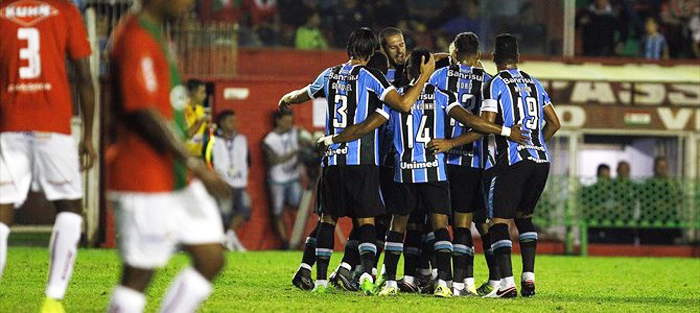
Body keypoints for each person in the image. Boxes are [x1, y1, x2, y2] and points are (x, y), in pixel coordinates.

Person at [319, 48, 529, 298]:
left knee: (398, 226)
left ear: (407, 71)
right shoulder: (442, 96)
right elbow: (472, 121)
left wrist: (336, 138)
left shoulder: (397, 99)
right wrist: (506, 131)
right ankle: (444, 282)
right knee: (440, 226)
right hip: (433, 170)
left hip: (403, 172)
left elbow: (368, 126)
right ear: (427, 72)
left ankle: (390, 283)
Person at [279, 27, 440, 295]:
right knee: (369, 221)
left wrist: (286, 98)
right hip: (367, 159)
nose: (399, 50)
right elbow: (401, 105)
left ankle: (317, 276)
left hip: (333, 160)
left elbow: (303, 93)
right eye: (393, 46)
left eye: (402, 45)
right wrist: (425, 76)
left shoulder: (329, 74)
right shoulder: (375, 76)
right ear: (377, 51)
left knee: (327, 219)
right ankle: (365, 275)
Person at [106, 0, 232, 312]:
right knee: (139, 275)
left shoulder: (158, 35)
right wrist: (193, 163)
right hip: (143, 174)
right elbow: (143, 112)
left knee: (211, 256)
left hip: (175, 175)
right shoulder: (135, 37)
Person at [0, 0, 96, 311]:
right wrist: (89, 137)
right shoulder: (65, 10)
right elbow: (84, 76)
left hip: (9, 124)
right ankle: (53, 300)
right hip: (52, 126)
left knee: (0, 217)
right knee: (69, 208)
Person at [479, 33, 561, 298]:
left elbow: (489, 120)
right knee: (524, 217)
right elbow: (555, 123)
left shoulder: (495, 82)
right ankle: (528, 279)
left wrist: (506, 133)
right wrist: (536, 142)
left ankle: (506, 284)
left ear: (493, 58)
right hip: (540, 160)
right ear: (518, 57)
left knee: (497, 220)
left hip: (514, 160)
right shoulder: (534, 82)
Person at [424, 32, 491, 297]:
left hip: (440, 159)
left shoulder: (439, 77)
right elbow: (485, 125)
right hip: (472, 160)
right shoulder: (487, 81)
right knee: (464, 224)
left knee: (437, 222)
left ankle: (438, 277)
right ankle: (465, 283)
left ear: (453, 53)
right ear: (477, 55)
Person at [209, 110, 251, 252]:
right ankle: (223, 239)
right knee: (223, 213)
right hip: (221, 182)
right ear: (221, 122)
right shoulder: (212, 140)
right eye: (230, 121)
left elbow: (248, 160)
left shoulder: (241, 140)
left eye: (235, 121)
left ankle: (229, 236)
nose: (234, 124)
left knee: (244, 208)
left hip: (239, 181)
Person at [263, 110, 304, 250]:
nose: (290, 124)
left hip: (293, 177)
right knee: (277, 211)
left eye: (291, 120)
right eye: (286, 121)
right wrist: (292, 153)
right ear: (278, 121)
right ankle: (285, 241)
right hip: (277, 178)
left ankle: (297, 238)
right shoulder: (269, 139)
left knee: (298, 207)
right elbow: (272, 160)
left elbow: (307, 142)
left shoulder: (296, 133)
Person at [185, 79, 210, 157]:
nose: (205, 95)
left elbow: (201, 136)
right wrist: (200, 121)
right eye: (202, 92)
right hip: (184, 156)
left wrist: (209, 129)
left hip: (198, 155)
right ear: (192, 93)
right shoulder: (182, 110)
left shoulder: (200, 109)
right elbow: (187, 135)